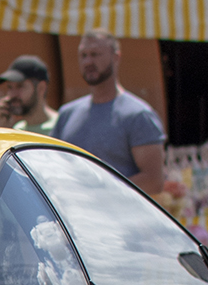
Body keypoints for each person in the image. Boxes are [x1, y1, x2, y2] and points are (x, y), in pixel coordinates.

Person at [51, 31, 166, 194]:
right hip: (75, 215)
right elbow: (54, 168)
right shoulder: (67, 115)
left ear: (116, 57)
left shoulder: (138, 115)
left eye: (95, 54)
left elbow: (153, 181)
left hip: (120, 217)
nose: (88, 61)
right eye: (83, 55)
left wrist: (101, 194)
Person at [0, 55, 57, 133]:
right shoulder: (18, 130)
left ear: (41, 88)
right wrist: (3, 130)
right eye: (10, 87)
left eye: (20, 86)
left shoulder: (60, 127)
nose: (12, 95)